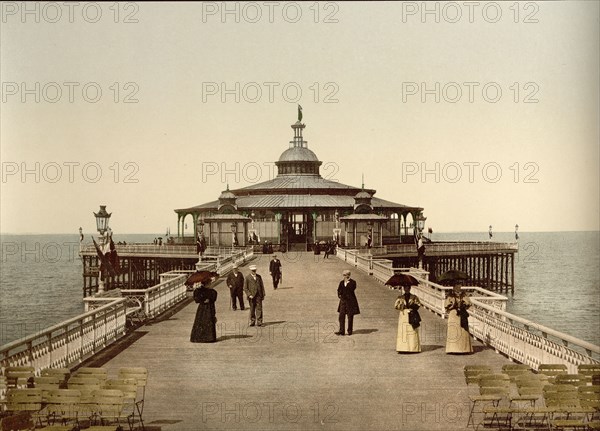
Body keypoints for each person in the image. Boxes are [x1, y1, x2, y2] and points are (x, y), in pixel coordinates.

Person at [444, 282, 473, 353]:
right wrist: (453, 305)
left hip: (462, 313)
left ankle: (464, 349)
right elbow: (446, 305)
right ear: (453, 287)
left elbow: (469, 304)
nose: (458, 288)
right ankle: (453, 349)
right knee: (454, 330)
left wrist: (463, 304)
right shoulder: (450, 295)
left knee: (463, 330)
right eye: (456, 287)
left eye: (459, 287)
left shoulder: (463, 295)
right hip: (454, 313)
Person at [394, 285, 422, 353]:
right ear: (403, 289)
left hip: (411, 314)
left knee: (412, 330)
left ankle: (413, 348)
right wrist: (401, 305)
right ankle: (403, 348)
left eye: (408, 288)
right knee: (403, 331)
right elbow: (395, 306)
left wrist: (413, 305)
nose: (406, 289)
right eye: (405, 288)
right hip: (403, 315)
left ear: (410, 288)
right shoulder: (400, 297)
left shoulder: (414, 297)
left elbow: (418, 305)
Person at [336, 270, 360, 336]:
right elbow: (339, 289)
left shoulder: (353, 282)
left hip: (350, 301)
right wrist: (339, 295)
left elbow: (351, 289)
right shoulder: (341, 282)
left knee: (350, 316)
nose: (343, 276)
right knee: (341, 316)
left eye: (344, 275)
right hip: (343, 301)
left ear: (348, 275)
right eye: (343, 275)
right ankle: (341, 331)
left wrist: (347, 283)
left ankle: (349, 330)